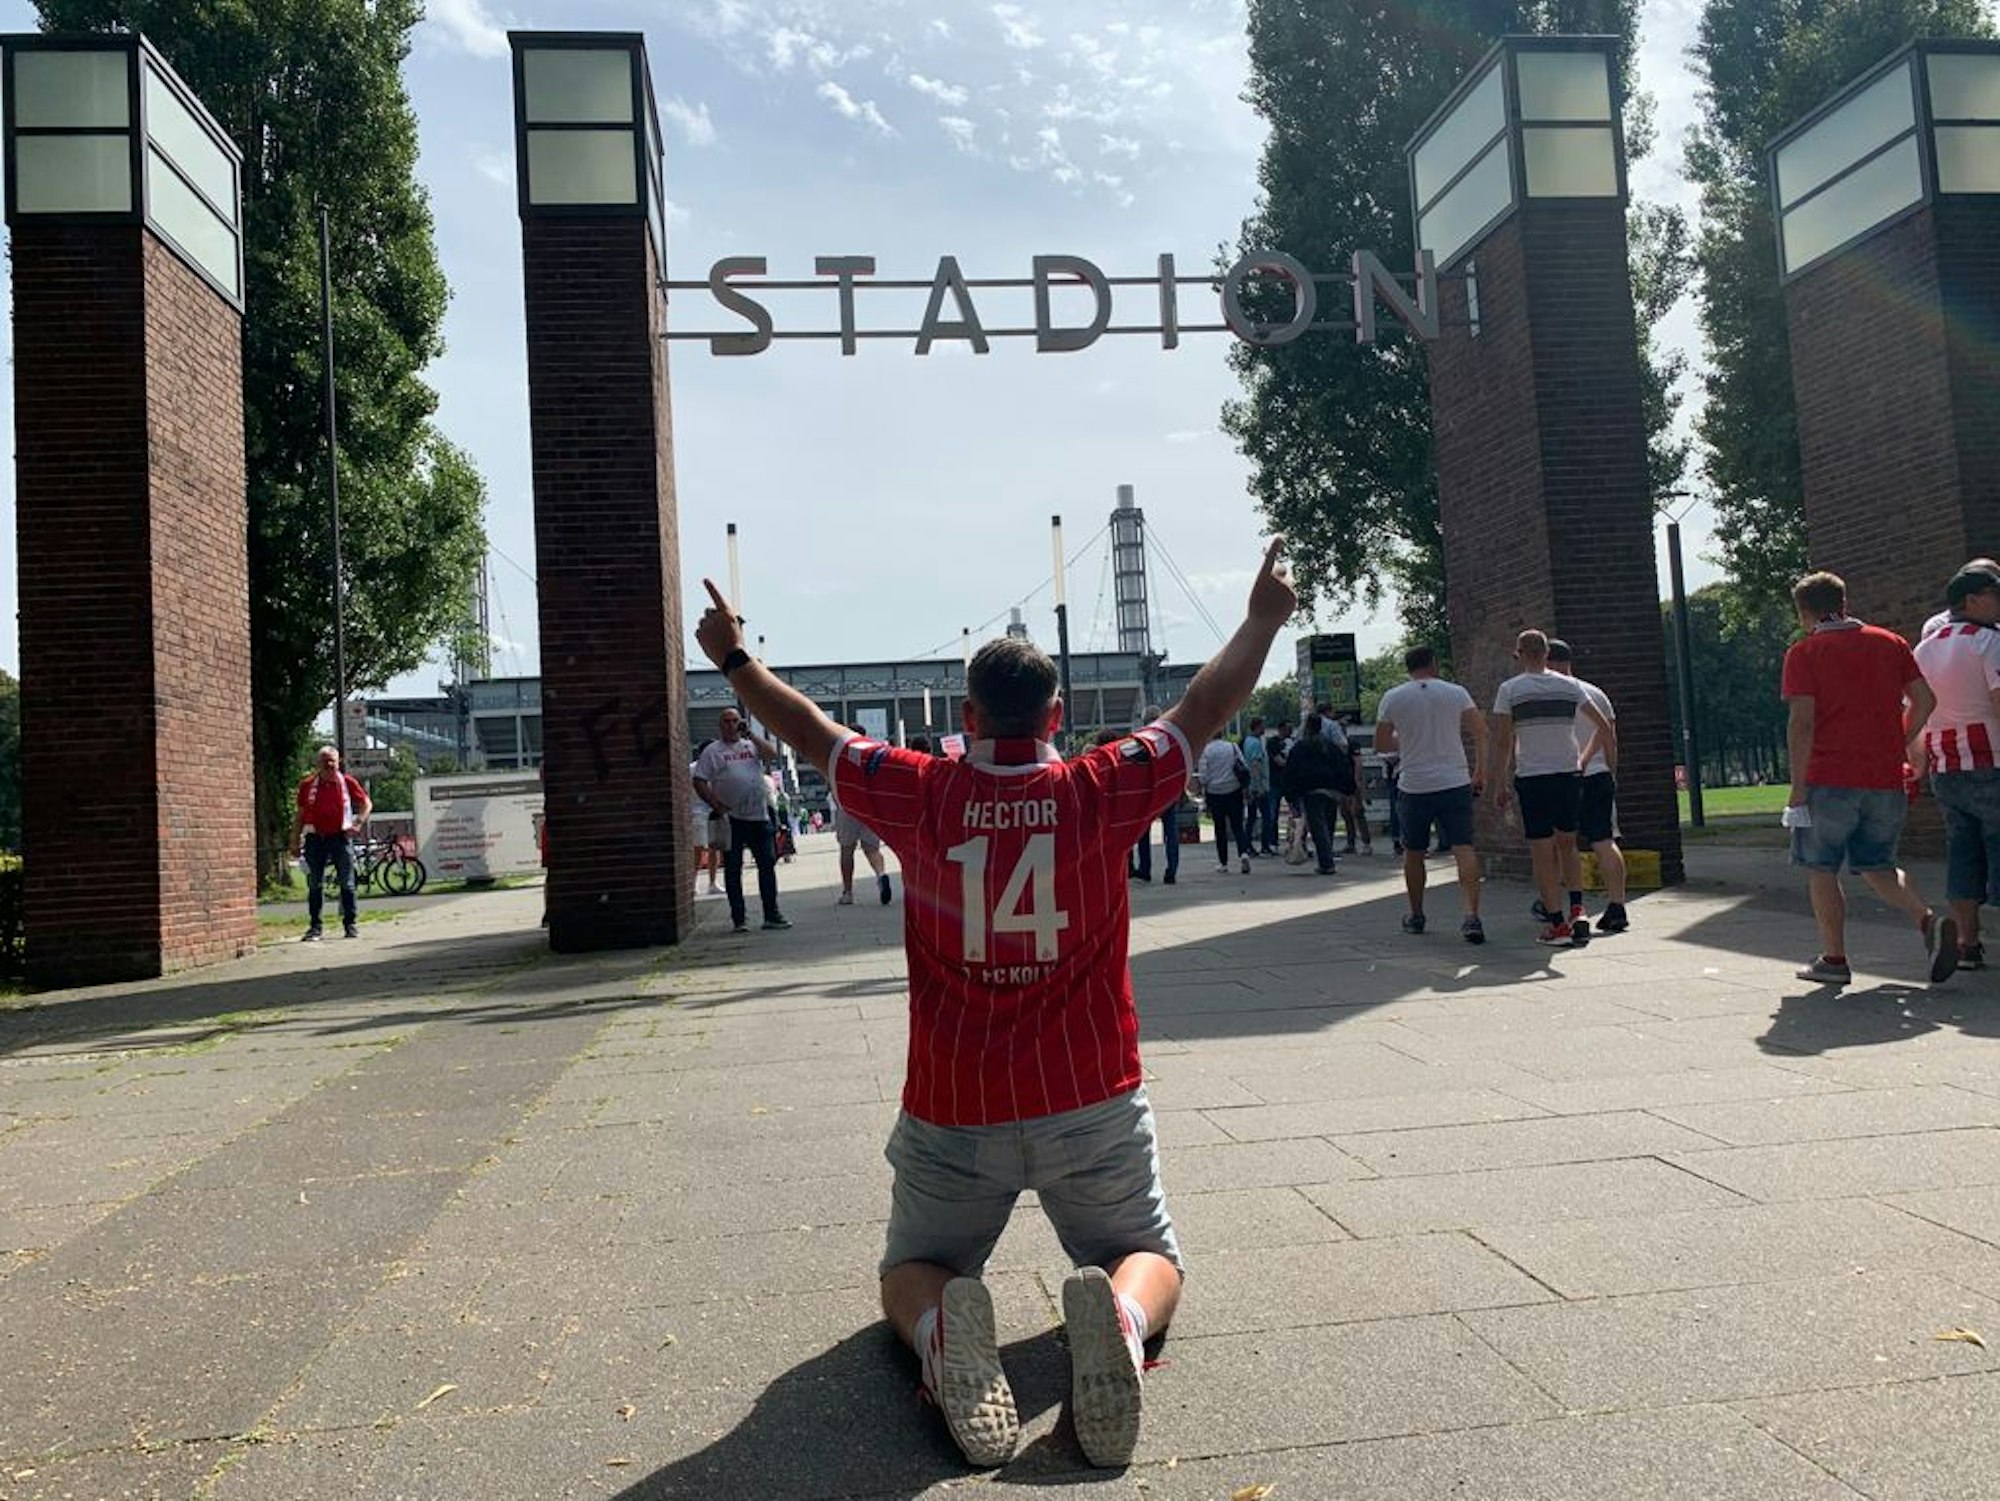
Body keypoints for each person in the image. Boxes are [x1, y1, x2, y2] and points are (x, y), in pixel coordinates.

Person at [690, 542, 1296, 1471]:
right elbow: (1204, 708)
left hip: (954, 1098)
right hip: (1090, 1087)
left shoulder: (918, 791)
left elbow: (812, 732)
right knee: (1148, 1251)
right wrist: (1260, 618)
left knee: (909, 1269)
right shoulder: (1103, 786)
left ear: (966, 716)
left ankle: (940, 1329)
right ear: (1057, 715)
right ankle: (1124, 1323)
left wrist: (734, 657)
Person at [1782, 571, 1955, 985]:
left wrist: (1798, 786)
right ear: (1844, 601)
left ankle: (1835, 960)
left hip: (1828, 776)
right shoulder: (1889, 643)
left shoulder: (1805, 654)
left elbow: (1802, 723)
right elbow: (1926, 700)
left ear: (1805, 611)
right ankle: (1926, 919)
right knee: (1879, 866)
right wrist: (1898, 740)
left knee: (1821, 868)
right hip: (1884, 777)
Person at [1490, 629, 1616, 947]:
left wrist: (1500, 782)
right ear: (1547, 653)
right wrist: (1588, 759)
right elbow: (1604, 725)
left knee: (1542, 852)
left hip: (1533, 776)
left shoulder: (1510, 690)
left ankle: (1557, 924)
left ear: (1519, 653)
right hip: (1568, 774)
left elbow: (1504, 741)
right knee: (1568, 844)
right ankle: (1578, 909)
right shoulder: (1570, 686)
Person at [1912, 563, 2000, 970]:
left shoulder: (1925, 648)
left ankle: (1967, 942)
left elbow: (1915, 712)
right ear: (1972, 600)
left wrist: (1917, 764)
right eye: (1994, 594)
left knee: (1963, 852)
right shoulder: (1988, 642)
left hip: (1946, 766)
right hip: (1992, 760)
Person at [1375, 646, 1486, 943]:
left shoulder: (1393, 697)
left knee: (1414, 852)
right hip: (1454, 779)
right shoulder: (1456, 692)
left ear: (1408, 667)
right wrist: (1480, 771)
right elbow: (1480, 730)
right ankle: (1471, 916)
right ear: (1434, 664)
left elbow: (1382, 742)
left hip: (1415, 783)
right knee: (1464, 847)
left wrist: (1406, 739)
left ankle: (1416, 914)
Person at [1546, 640, 1631, 936]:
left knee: (1559, 845)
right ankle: (1617, 905)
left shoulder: (1547, 694)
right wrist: (1611, 772)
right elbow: (1610, 737)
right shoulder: (1596, 693)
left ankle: (1557, 903)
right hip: (1598, 773)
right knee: (1604, 840)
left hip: (1562, 776)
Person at [692, 708, 791, 933]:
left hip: (758, 815)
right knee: (733, 868)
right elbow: (699, 780)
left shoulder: (751, 745)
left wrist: (752, 735)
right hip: (731, 819)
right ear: (720, 726)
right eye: (726, 722)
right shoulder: (713, 752)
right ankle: (739, 918)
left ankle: (772, 914)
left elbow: (772, 755)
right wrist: (716, 804)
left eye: (735, 721)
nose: (731, 725)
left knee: (767, 864)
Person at [291, 744, 372, 942]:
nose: (329, 765)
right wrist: (294, 840)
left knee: (347, 882)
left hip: (340, 838)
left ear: (339, 762)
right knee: (315, 884)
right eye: (325, 761)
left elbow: (366, 803)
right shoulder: (307, 785)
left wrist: (358, 822)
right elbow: (300, 815)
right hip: (315, 839)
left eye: (332, 761)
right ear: (318, 764)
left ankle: (350, 924)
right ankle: (315, 927)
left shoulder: (347, 782)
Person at [833, 723, 895, 906]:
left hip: (848, 805)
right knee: (872, 848)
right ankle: (881, 875)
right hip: (869, 806)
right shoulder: (875, 752)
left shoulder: (842, 753)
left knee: (847, 849)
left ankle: (848, 892)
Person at [1281, 714, 1348, 874]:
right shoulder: (1330, 747)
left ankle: (1326, 863)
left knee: (1318, 828)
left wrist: (1290, 794)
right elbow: (1343, 767)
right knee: (1328, 826)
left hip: (1311, 791)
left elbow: (1291, 771)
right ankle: (1327, 856)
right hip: (1332, 790)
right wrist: (1347, 790)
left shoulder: (1301, 747)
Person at [1126, 713, 1181, 886]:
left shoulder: (1140, 740)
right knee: (1170, 832)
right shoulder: (1170, 739)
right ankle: (1171, 870)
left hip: (1148, 792)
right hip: (1168, 789)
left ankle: (1145, 869)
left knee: (1143, 832)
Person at [1196, 730, 1252, 874]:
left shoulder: (1206, 751)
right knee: (1238, 825)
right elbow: (1243, 765)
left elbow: (1203, 776)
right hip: (1234, 790)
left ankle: (1223, 862)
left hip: (1215, 793)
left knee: (1220, 829)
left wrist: (1204, 787)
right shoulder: (1232, 747)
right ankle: (1243, 853)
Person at [689, 739, 723, 898]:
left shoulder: (717, 768)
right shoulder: (693, 769)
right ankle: (694, 883)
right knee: (699, 848)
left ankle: (712, 882)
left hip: (712, 812)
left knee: (713, 847)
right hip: (697, 811)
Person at [1240, 717, 1277, 855]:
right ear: (1257, 727)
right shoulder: (1255, 743)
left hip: (1251, 785)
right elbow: (1255, 765)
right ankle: (1265, 845)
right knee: (1267, 816)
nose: (1264, 729)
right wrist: (1259, 786)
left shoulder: (1247, 741)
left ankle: (1247, 844)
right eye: (1262, 726)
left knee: (1251, 816)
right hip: (1258, 786)